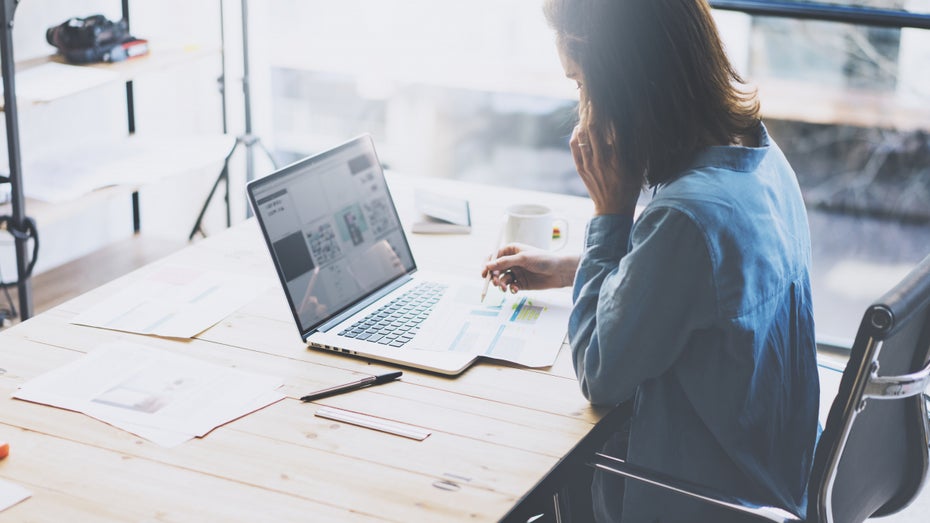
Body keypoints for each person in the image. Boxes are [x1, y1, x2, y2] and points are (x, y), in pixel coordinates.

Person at [482, 1, 820, 521]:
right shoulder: (760, 160)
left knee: (502, 460)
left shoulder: (687, 217)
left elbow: (598, 374)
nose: (582, 111)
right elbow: (702, 281)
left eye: (581, 85)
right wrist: (568, 267)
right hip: (774, 472)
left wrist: (611, 215)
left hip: (699, 498)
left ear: (626, 82)